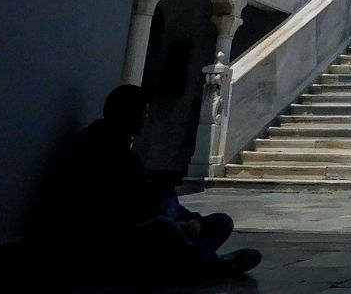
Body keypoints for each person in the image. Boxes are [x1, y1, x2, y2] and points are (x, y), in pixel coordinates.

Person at [55, 83, 261, 281]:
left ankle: (187, 261)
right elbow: (118, 209)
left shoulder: (126, 151)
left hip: (153, 220)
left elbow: (151, 197)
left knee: (221, 221)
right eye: (144, 114)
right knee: (165, 227)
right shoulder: (94, 148)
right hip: (110, 237)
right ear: (130, 114)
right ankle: (210, 264)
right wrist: (177, 222)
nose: (147, 120)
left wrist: (192, 218)